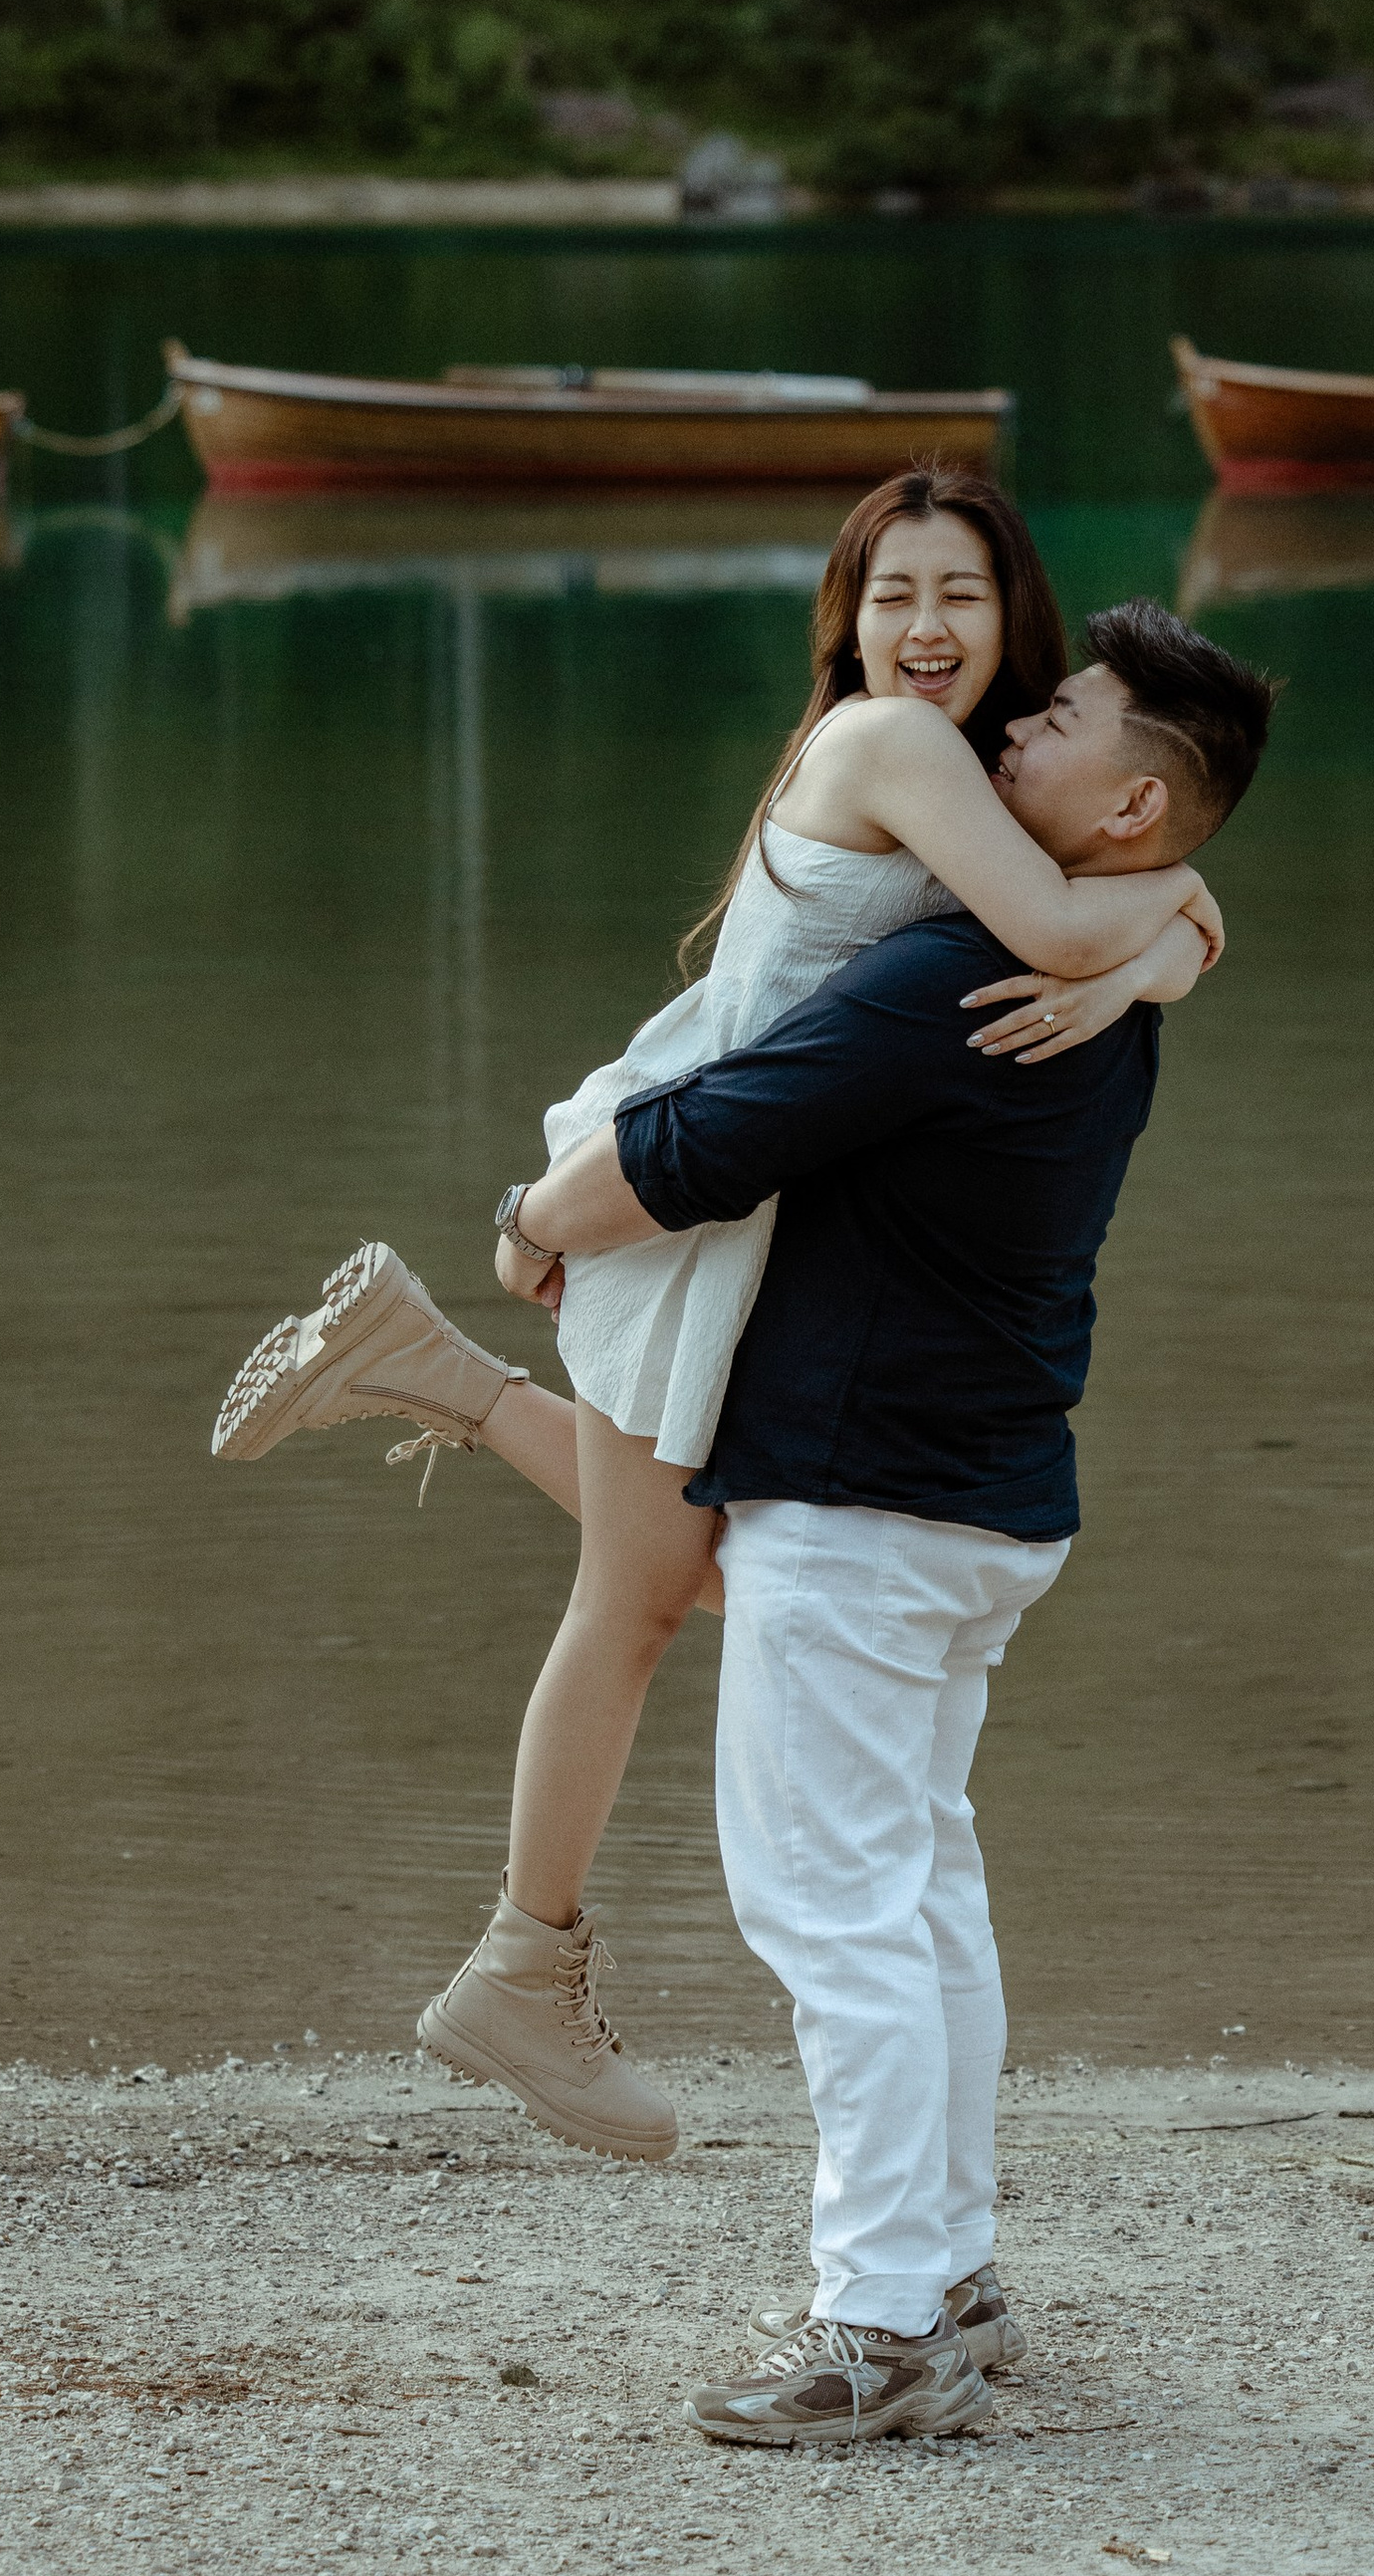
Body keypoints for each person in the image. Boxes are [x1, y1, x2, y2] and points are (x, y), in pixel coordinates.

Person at [208, 473, 1225, 2161]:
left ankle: (420, 1370)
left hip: (737, 1188)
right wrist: (1131, 952)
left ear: (1015, 616)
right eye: (890, 591)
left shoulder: (976, 774)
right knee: (647, 1594)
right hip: (688, 1179)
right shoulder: (894, 746)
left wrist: (1158, 941)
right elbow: (1086, 908)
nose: (924, 627)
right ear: (847, 616)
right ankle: (521, 1962)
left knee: (675, 1563)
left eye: (961, 594)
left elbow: (1167, 884)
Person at [486, 600, 1276, 2445]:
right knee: (918, 1899)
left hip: (862, 1498)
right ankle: (952, 2276)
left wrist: (533, 1215)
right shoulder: (1093, 975)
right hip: (984, 1495)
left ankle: (878, 2324)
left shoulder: (949, 985)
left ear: (1138, 801)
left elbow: (707, 1134)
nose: (1013, 730)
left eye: (1060, 717)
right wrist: (1171, 933)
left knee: (834, 1911)